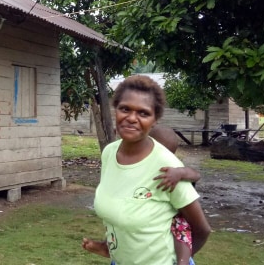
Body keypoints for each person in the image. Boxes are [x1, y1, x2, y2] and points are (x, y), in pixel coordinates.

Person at [82, 75, 211, 265]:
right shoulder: (109, 153)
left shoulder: (166, 167)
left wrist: (181, 261)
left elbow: (202, 230)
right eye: (125, 109)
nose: (132, 118)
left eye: (143, 113)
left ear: (155, 120)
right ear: (115, 110)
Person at [150, 125, 202, 265]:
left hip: (176, 214)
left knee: (180, 229)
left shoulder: (173, 168)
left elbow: (196, 175)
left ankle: (183, 261)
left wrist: (179, 173)